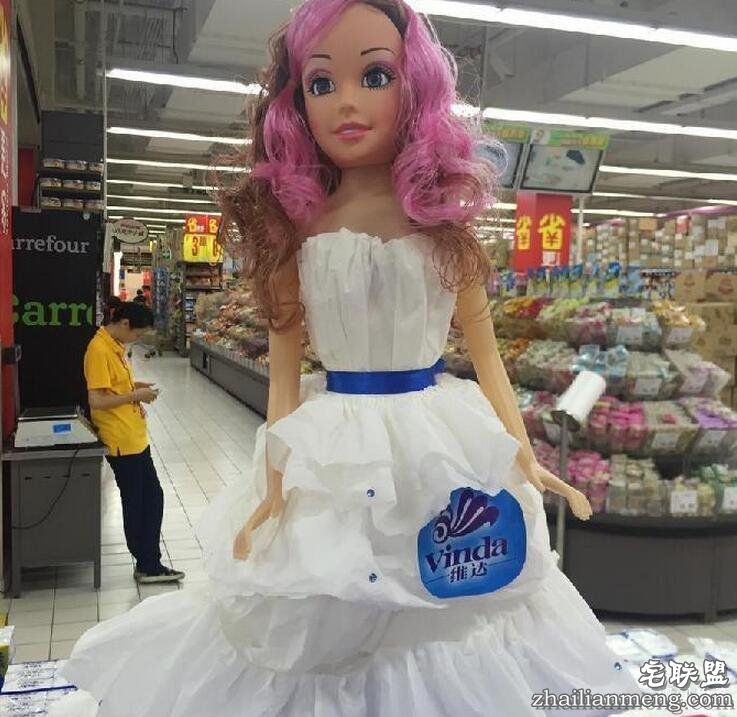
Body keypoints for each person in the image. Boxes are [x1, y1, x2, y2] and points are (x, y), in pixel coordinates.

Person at [51, 2, 636, 714]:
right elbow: (284, 379)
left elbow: (488, 360)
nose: (347, 103)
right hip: (335, 446)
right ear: (296, 104)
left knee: (454, 612)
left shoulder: (444, 225)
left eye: (376, 75)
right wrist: (274, 490)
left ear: (415, 86)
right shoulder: (292, 231)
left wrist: (524, 456)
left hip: (437, 444)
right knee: (323, 611)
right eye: (321, 83)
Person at [84, 299, 184, 585]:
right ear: (125, 324)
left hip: (134, 437)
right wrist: (135, 396)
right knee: (140, 501)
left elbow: (112, 388)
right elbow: (96, 400)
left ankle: (148, 561)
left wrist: (134, 386)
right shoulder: (99, 350)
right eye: (137, 334)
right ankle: (147, 564)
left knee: (151, 497)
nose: (137, 339)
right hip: (120, 441)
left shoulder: (114, 346)